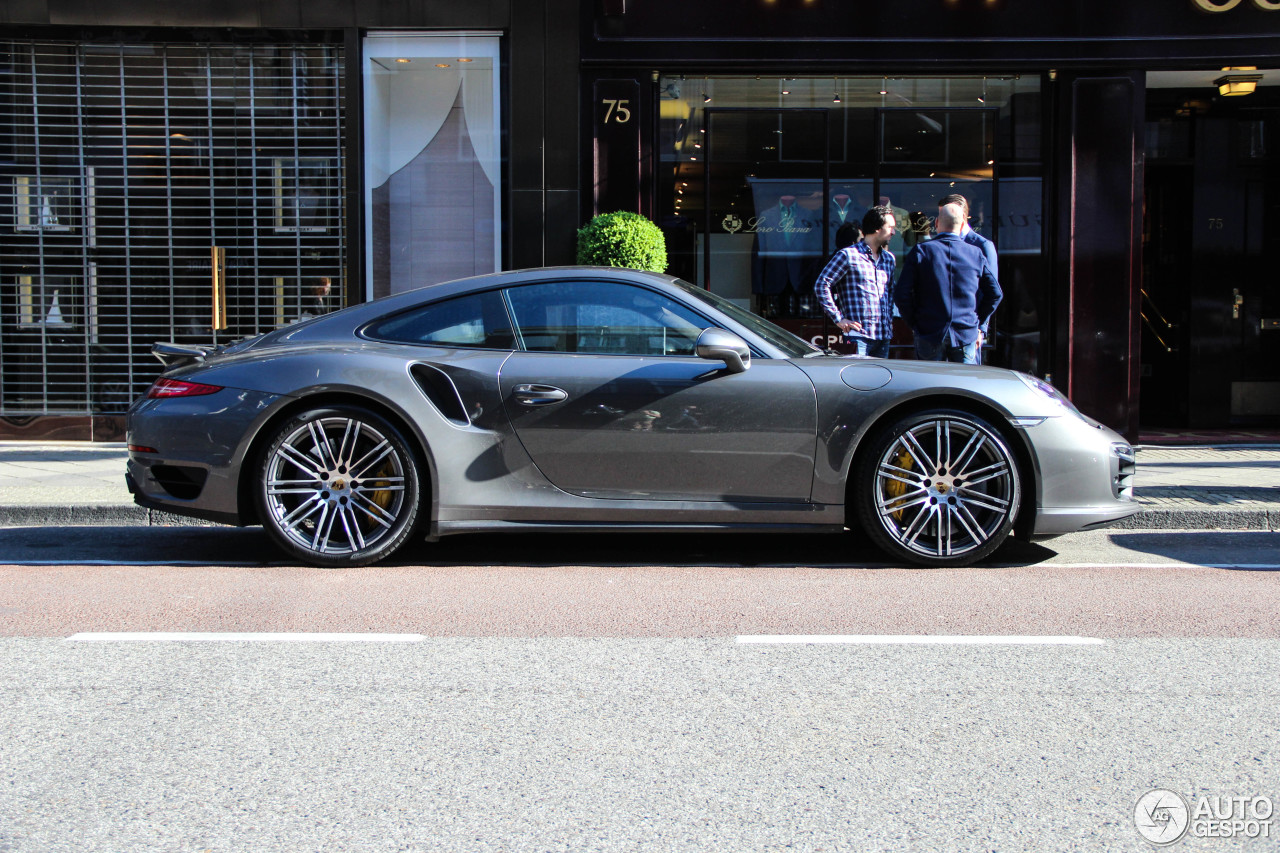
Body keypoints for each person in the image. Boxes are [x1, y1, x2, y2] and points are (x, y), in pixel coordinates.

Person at [894, 201, 1001, 364]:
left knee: (930, 387)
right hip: (966, 332)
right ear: (963, 224)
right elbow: (995, 293)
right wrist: (977, 322)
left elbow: (902, 294)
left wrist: (915, 322)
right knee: (965, 387)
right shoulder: (975, 253)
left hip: (929, 330)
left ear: (936, 223)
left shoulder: (922, 251)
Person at [814, 205, 897, 358]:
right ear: (877, 228)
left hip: (883, 335)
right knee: (858, 380)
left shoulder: (888, 259)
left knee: (881, 380)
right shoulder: (849, 255)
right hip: (858, 335)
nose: (893, 231)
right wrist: (839, 319)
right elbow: (821, 284)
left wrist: (889, 320)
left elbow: (890, 292)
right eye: (890, 227)